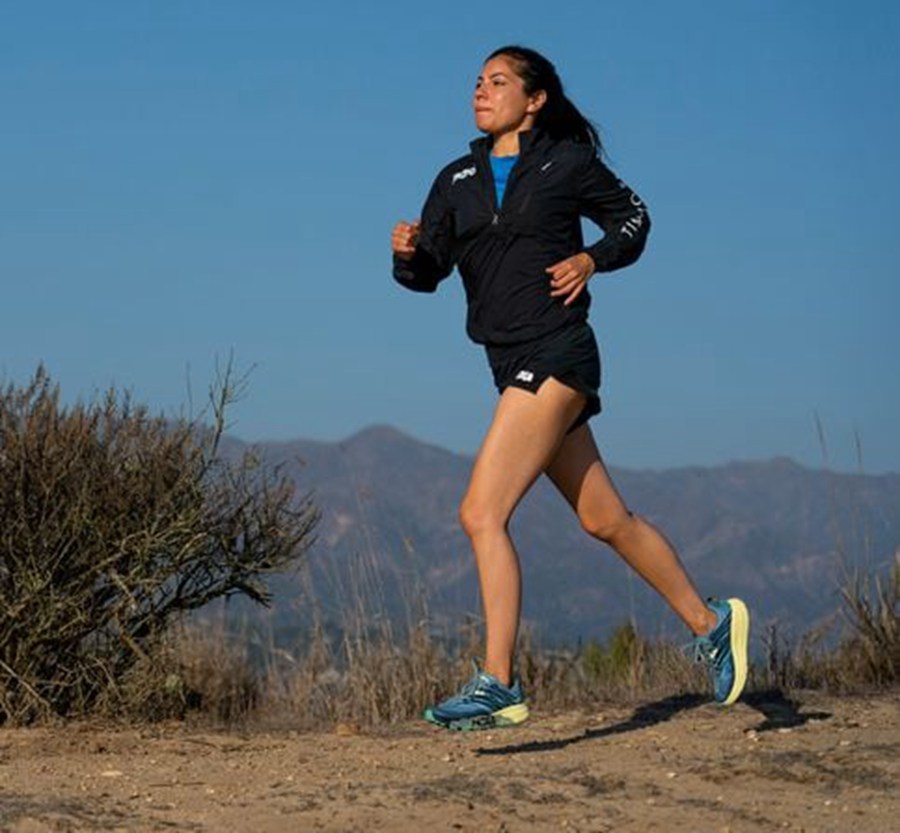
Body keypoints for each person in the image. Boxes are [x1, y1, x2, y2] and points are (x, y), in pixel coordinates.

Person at [391, 45, 749, 731]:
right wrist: (406, 253)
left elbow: (634, 219)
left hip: (557, 352)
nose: (481, 90)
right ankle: (712, 623)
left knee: (480, 511)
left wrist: (592, 257)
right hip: (508, 362)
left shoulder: (566, 164)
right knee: (604, 519)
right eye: (476, 81)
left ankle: (498, 681)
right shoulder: (456, 178)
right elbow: (429, 271)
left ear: (534, 100)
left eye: (498, 81)